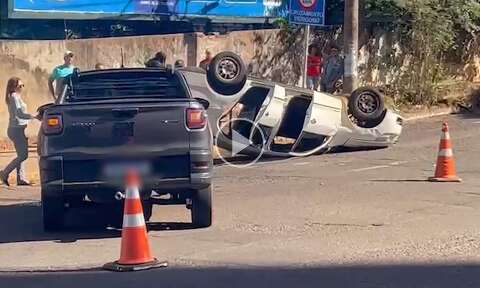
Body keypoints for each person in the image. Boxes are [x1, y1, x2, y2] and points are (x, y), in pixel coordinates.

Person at [0, 77, 38, 186]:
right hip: (16, 130)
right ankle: (4, 173)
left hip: (19, 129)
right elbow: (19, 114)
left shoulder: (16, 97)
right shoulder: (14, 97)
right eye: (20, 86)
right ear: (13, 87)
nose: (22, 88)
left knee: (21, 154)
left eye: (23, 85)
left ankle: (21, 178)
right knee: (23, 155)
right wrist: (34, 116)